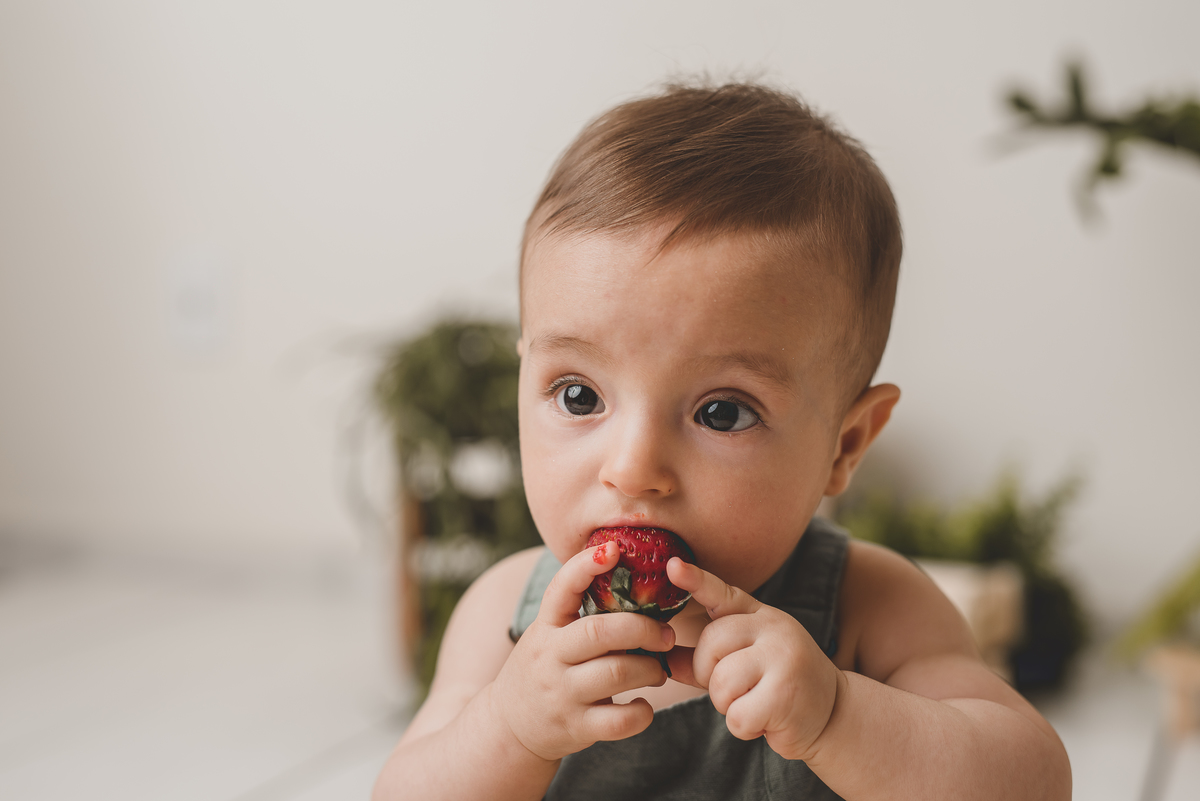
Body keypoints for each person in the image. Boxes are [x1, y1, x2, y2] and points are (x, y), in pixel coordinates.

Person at [373, 81, 1071, 800]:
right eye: (579, 395)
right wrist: (509, 729)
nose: (634, 468)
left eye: (722, 412)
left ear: (844, 443)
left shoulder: (873, 605)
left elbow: (1033, 781)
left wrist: (838, 712)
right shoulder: (502, 617)